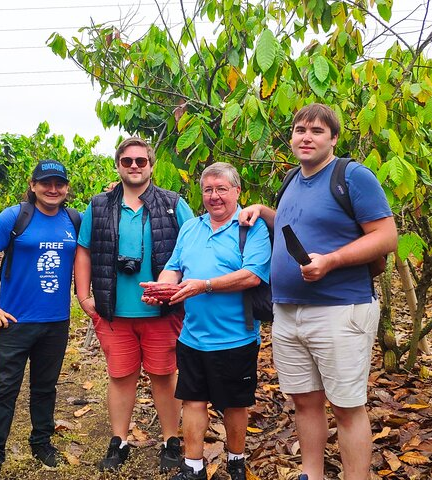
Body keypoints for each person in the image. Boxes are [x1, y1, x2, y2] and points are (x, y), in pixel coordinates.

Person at [239, 103, 398, 480]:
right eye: (299, 130)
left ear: (334, 138)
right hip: (288, 311)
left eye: (316, 131)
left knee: (346, 407)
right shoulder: (292, 179)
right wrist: (264, 210)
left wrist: (331, 261)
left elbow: (386, 236)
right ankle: (311, 473)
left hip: (339, 310)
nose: (306, 137)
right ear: (291, 136)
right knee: (305, 401)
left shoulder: (352, 176)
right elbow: (296, 228)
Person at [142, 162, 271, 480]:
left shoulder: (251, 228)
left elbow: (253, 274)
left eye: (221, 189)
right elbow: (174, 266)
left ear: (237, 192)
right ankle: (193, 466)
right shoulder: (191, 228)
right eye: (208, 190)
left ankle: (236, 462)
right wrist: (164, 288)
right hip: (192, 335)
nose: (214, 196)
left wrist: (205, 285)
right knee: (193, 400)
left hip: (235, 337)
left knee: (234, 404)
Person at [73, 137, 194, 473]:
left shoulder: (172, 203)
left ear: (152, 165)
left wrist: (185, 290)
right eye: (128, 161)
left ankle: (171, 441)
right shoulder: (98, 206)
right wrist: (85, 296)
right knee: (121, 377)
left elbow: (194, 245)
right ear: (118, 165)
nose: (135, 166)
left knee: (164, 375)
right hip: (113, 311)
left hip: (161, 311)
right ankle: (119, 440)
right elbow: (83, 250)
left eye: (141, 161)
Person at [0, 159, 80, 480]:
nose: (53, 189)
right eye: (46, 183)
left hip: (56, 321)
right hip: (14, 322)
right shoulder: (14, 217)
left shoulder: (74, 220)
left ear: (67, 188)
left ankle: (41, 443)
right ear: (33, 186)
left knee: (46, 387)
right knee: (5, 389)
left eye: (59, 183)